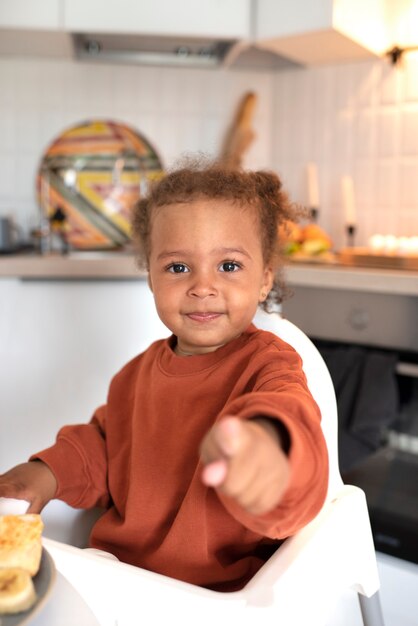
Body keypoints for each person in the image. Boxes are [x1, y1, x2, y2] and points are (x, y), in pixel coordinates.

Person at [0, 160, 328, 591]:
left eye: (228, 266)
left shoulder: (269, 366)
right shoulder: (134, 376)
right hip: (119, 574)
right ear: (151, 277)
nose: (202, 286)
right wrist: (45, 474)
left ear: (264, 279)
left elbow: (288, 413)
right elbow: (103, 446)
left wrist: (268, 447)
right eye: (178, 268)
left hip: (213, 596)